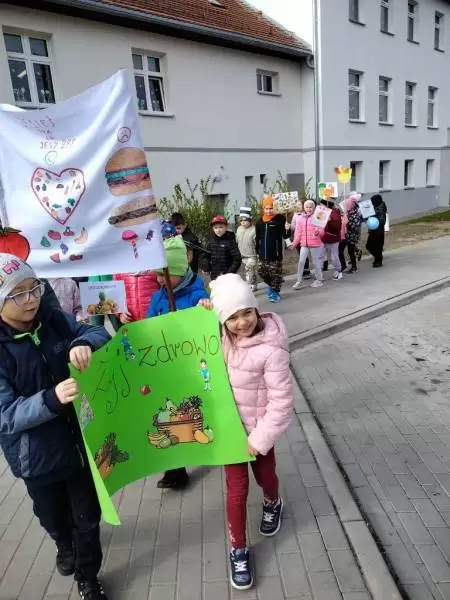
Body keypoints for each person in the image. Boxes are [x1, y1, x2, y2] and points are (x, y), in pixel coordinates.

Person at [0, 253, 110, 600]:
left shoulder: (53, 319)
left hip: (77, 445)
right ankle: (63, 542)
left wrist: (82, 343)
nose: (30, 300)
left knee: (88, 516)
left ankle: (88, 578)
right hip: (36, 458)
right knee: (52, 516)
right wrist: (50, 399)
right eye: (18, 294)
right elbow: (5, 415)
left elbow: (96, 331)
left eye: (34, 288)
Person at [199, 274, 293, 590]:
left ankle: (273, 501)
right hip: (231, 434)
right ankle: (238, 548)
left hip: (258, 433)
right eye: (232, 317)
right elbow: (201, 342)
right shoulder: (223, 337)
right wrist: (204, 312)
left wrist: (260, 439)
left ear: (255, 308)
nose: (242, 322)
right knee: (236, 492)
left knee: (266, 477)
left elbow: (281, 403)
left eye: (246, 312)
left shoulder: (271, 349)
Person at [147, 236, 209, 489]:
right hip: (168, 370)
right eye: (157, 275)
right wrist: (134, 323)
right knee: (170, 416)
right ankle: (175, 469)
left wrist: (206, 309)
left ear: (181, 270)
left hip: (192, 369)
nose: (160, 280)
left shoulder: (198, 295)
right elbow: (149, 326)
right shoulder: (159, 297)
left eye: (165, 275)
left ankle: (214, 447)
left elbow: (207, 328)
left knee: (196, 413)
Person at [255, 196, 289, 303]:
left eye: (271, 208)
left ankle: (274, 293)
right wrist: (257, 249)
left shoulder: (280, 219)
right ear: (263, 208)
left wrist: (288, 229)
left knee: (275, 274)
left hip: (275, 253)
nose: (269, 211)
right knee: (261, 272)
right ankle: (273, 284)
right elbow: (258, 237)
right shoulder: (259, 222)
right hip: (263, 253)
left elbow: (285, 235)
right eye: (267, 208)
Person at [290, 200, 324, 288]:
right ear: (304, 208)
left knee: (316, 262)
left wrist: (318, 231)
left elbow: (322, 233)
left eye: (311, 207)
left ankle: (319, 280)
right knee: (301, 262)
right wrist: (294, 244)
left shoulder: (318, 216)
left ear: (314, 208)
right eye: (307, 207)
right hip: (304, 244)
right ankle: (299, 281)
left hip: (315, 244)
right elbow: (298, 233)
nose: (309, 209)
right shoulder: (300, 218)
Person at [202, 215, 241, 281]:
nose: (218, 230)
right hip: (214, 274)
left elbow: (237, 259)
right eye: (216, 228)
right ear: (213, 229)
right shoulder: (211, 241)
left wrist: (229, 273)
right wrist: (206, 266)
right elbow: (206, 255)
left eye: (221, 227)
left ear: (226, 227)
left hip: (228, 275)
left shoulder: (230, 241)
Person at [286, 199, 311, 279]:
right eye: (297, 204)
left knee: (305, 255)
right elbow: (293, 227)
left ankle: (307, 271)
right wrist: (289, 226)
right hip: (297, 238)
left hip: (306, 237)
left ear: (303, 205)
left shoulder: (307, 214)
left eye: (299, 204)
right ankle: (304, 271)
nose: (297, 206)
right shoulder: (295, 215)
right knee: (301, 255)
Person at [339, 193, 363, 274]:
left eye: (346, 206)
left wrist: (347, 223)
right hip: (346, 235)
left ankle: (354, 267)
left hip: (351, 236)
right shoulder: (348, 212)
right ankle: (344, 266)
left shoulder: (355, 214)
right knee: (340, 250)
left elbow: (356, 226)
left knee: (350, 252)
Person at [320, 199, 343, 281]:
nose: (320, 207)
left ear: (327, 205)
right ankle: (319, 273)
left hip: (333, 238)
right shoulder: (321, 212)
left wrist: (330, 221)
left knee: (334, 256)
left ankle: (338, 271)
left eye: (322, 205)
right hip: (323, 238)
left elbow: (338, 227)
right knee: (320, 256)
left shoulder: (334, 213)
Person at [236, 207, 257, 291]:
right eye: (241, 220)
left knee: (248, 269)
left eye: (245, 220)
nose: (243, 222)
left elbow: (257, 242)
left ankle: (249, 286)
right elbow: (237, 240)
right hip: (242, 254)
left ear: (250, 220)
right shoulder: (239, 229)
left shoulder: (254, 230)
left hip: (252, 255)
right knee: (250, 271)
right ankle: (254, 284)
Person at [366, 194, 387, 268]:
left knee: (375, 246)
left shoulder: (381, 209)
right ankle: (378, 258)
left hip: (378, 231)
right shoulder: (376, 207)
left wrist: (373, 218)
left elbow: (382, 221)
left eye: (373, 202)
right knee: (371, 246)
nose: (372, 203)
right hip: (374, 230)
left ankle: (378, 260)